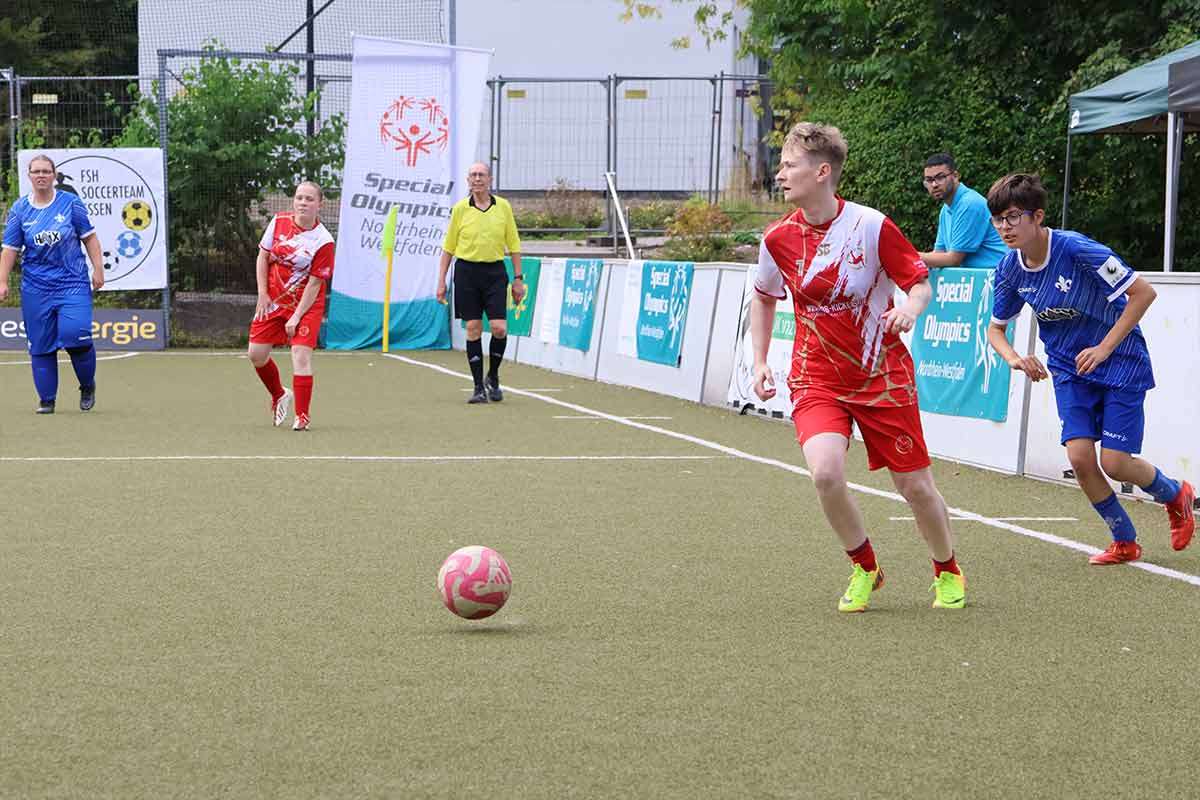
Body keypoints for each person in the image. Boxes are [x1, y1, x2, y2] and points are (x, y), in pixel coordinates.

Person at [751, 122, 965, 612]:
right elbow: (763, 298)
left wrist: (911, 308)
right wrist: (760, 360)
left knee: (915, 487)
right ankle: (866, 566)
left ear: (822, 172)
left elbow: (919, 283)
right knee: (825, 474)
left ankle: (947, 568)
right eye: (781, 165)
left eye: (789, 165)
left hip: (881, 376)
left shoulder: (871, 226)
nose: (780, 175)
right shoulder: (778, 238)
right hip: (816, 377)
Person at [984, 173, 1194, 564]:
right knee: (1080, 458)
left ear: (1037, 216)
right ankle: (1124, 541)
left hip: (1121, 361)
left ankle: (1176, 494)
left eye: (1012, 217)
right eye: (998, 219)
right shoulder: (1009, 269)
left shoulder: (1077, 249)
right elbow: (995, 330)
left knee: (1116, 463)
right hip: (1069, 370)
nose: (1004, 227)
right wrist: (1014, 358)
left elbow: (1143, 293)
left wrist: (1103, 347)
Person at [0, 154, 105, 414]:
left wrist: (98, 269)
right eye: (36, 171)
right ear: (29, 175)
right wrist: (2, 280)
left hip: (72, 283)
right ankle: (47, 400)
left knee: (75, 334)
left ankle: (87, 385)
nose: (41, 176)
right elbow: (10, 249)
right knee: (40, 344)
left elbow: (90, 238)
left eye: (46, 171)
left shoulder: (70, 203)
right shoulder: (19, 210)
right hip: (36, 288)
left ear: (54, 175)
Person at [248, 181, 335, 432]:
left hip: (306, 304)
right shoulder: (278, 222)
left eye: (309, 199)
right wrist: (262, 293)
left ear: (320, 205)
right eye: (299, 198)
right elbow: (263, 257)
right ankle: (279, 394)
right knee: (256, 354)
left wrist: (296, 317)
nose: (303, 203)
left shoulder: (324, 241)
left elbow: (315, 283)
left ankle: (302, 416)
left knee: (300, 354)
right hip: (273, 299)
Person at [436, 162, 525, 404]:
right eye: (473, 175)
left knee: (499, 328)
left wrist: (518, 279)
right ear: (468, 180)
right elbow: (448, 248)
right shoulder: (460, 209)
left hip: (495, 272)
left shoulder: (503, 207)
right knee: (473, 328)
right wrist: (441, 281)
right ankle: (478, 388)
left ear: (490, 179)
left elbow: (514, 244)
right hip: (466, 273)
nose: (477, 179)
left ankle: (493, 376)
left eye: (481, 175)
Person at [918, 153, 1007, 269]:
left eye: (940, 177)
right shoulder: (946, 209)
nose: (934, 184)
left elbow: (954, 259)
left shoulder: (969, 204)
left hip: (1000, 275)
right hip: (976, 277)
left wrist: (910, 256)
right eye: (929, 180)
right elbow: (939, 253)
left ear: (955, 176)